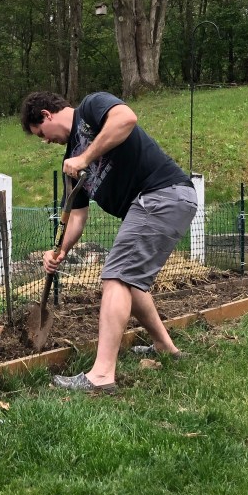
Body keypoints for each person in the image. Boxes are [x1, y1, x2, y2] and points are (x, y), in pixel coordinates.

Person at [21, 90, 198, 394]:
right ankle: (165, 347)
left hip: (162, 194)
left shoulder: (91, 108)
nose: (46, 141)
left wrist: (85, 157)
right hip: (156, 202)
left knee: (115, 276)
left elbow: (126, 119)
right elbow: (76, 217)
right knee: (128, 281)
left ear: (47, 115)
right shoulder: (70, 164)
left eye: (41, 134)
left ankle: (101, 376)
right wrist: (60, 250)